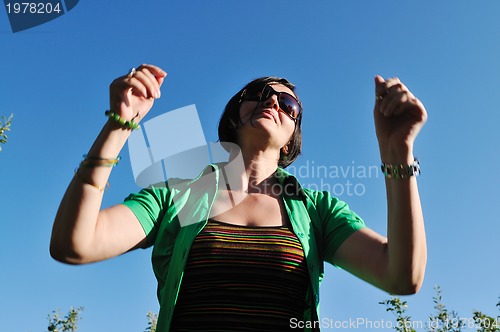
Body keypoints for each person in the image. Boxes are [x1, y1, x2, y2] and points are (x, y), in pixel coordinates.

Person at [50, 64, 428, 331]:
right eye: (259, 95)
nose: (273, 103)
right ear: (235, 115)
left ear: (291, 141)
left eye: (288, 105)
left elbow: (402, 276)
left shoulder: (317, 211)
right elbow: (75, 244)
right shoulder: (176, 197)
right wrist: (119, 125)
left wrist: (398, 154)